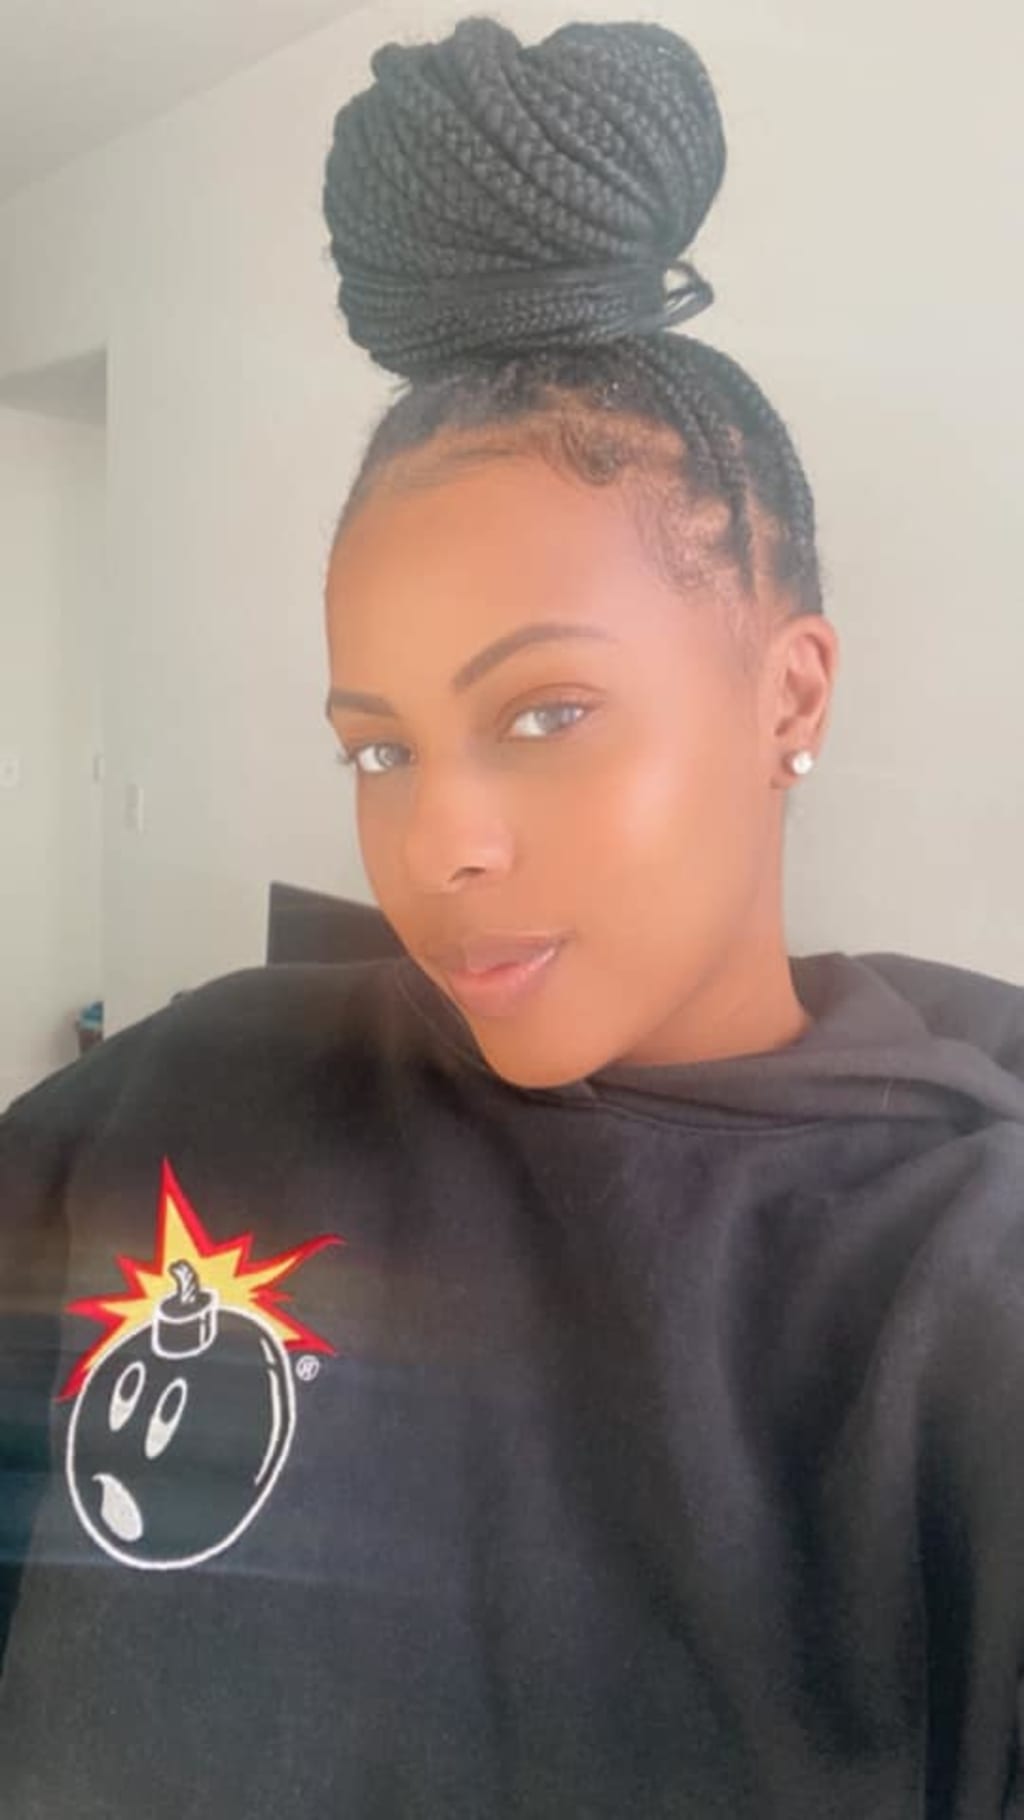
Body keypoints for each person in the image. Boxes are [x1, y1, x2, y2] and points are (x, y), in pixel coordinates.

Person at [1, 16, 1022, 1818]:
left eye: (546, 713)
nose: (437, 843)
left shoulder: (956, 1295)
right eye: (378, 747)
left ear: (788, 696)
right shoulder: (208, 1069)